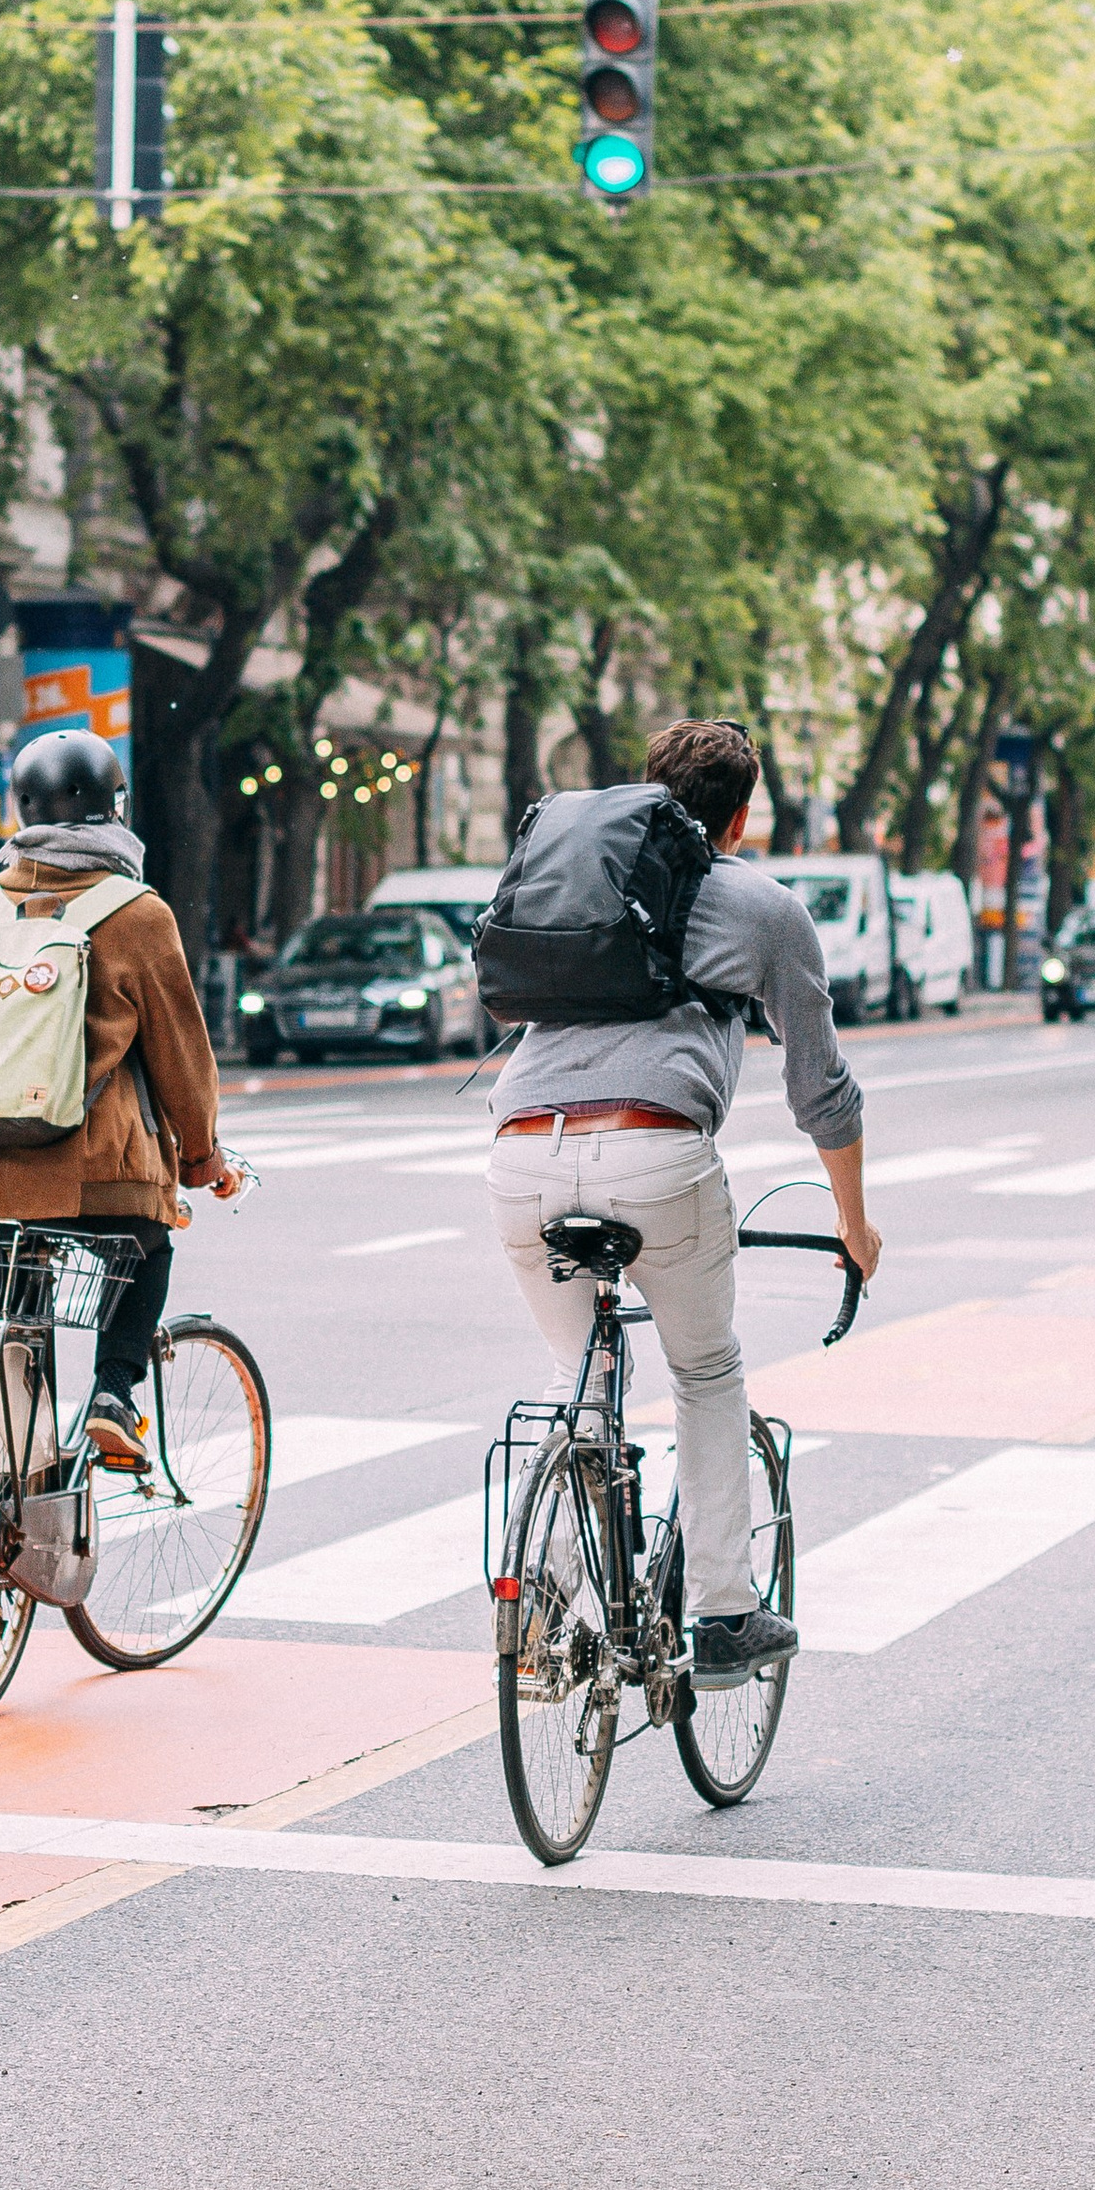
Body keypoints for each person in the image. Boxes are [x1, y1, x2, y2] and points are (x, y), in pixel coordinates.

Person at [485, 715, 881, 1679]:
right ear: (743, 817)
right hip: (655, 1152)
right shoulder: (767, 910)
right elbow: (820, 1090)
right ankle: (722, 1614)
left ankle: (546, 1588)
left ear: (650, 791)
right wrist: (853, 1223)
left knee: (575, 1366)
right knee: (704, 1372)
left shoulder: (589, 883)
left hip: (519, 1150)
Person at [0, 724, 236, 1469]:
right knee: (150, 1244)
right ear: (115, 810)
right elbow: (181, 1058)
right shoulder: (137, 914)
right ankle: (112, 1396)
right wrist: (201, 1158)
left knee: (14, 1333)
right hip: (96, 1171)